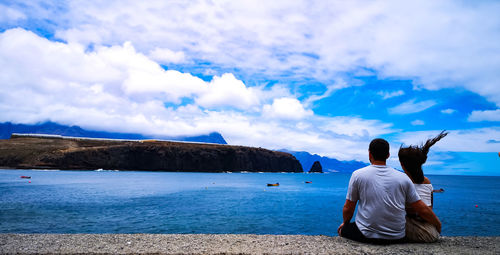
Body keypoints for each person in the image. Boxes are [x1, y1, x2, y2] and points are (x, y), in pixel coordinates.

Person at [338, 138, 441, 244]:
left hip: (367, 235)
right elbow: (422, 208)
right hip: (397, 237)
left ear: (369, 154)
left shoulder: (357, 175)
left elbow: (348, 208)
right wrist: (438, 224)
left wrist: (345, 223)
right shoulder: (403, 178)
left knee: (343, 230)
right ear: (388, 155)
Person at [399, 131, 448, 242]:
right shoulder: (426, 181)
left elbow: (423, 211)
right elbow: (429, 208)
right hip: (428, 228)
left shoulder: (401, 180)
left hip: (420, 230)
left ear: (402, 164)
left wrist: (438, 224)